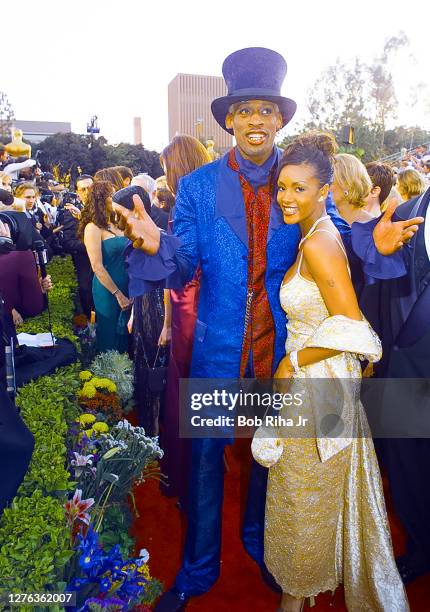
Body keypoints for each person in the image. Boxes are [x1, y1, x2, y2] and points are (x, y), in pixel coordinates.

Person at [112, 47, 422, 611]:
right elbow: (183, 266)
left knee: (268, 455)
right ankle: (200, 569)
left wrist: (367, 242)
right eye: (245, 109)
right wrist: (158, 242)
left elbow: (325, 234)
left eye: (267, 110)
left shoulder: (297, 180)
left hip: (278, 354)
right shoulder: (201, 187)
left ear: (281, 119)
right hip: (216, 349)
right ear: (228, 119)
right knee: (205, 464)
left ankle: (259, 544)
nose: (256, 120)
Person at [260, 133, 408, 612]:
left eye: (299, 188)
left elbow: (359, 332)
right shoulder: (314, 235)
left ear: (324, 190)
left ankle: (293, 602)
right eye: (282, 186)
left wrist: (294, 360)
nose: (286, 197)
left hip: (319, 390)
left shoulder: (321, 243)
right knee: (305, 499)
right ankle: (299, 598)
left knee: (303, 503)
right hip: (315, 387)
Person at [158, 135, 212, 503]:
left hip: (189, 311)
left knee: (184, 394)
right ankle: (199, 469)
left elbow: (174, 273)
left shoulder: (185, 213)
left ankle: (187, 478)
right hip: (196, 309)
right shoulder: (210, 207)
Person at [78, 180, 130, 353]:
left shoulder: (117, 223)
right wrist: (118, 294)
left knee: (127, 336)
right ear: (101, 200)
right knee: (110, 335)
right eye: (111, 195)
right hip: (108, 291)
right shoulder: (92, 228)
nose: (115, 199)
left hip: (129, 286)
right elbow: (97, 267)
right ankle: (109, 375)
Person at [62, 174, 95, 317]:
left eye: (91, 188)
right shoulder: (71, 214)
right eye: (83, 189)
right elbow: (69, 242)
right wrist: (93, 245)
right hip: (86, 265)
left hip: (109, 265)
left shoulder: (106, 209)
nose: (87, 192)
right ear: (77, 192)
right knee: (88, 296)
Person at [331, 154, 374, 225]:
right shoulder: (322, 222)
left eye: (329, 182)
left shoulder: (373, 227)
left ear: (347, 184)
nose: (323, 187)